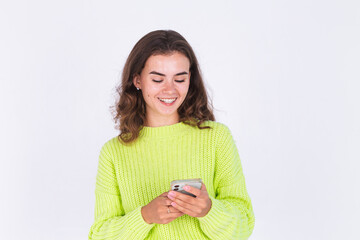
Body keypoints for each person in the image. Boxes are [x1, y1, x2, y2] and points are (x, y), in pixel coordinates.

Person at [88, 30, 255, 239]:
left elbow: (244, 225)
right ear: (137, 80)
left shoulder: (216, 138)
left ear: (190, 79)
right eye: (158, 79)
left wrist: (209, 210)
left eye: (180, 79)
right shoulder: (113, 153)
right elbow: (99, 234)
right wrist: (145, 216)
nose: (170, 90)